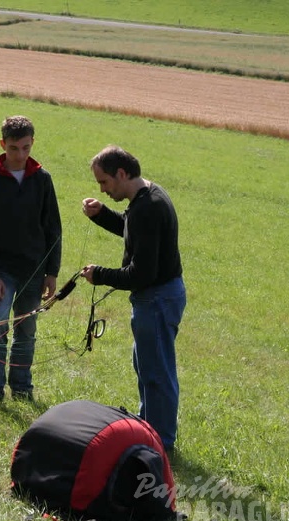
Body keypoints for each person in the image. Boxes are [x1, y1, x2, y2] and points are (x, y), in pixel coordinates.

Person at [80, 145, 186, 452]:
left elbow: (141, 274)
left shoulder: (147, 208)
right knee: (147, 366)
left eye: (104, 182)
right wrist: (102, 215)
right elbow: (132, 231)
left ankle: (161, 442)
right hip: (159, 296)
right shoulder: (147, 196)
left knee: (157, 373)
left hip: (157, 299)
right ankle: (150, 426)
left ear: (122, 174)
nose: (102, 188)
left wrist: (99, 275)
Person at [0, 115, 62, 404]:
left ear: (32, 143)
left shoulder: (43, 180)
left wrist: (51, 272)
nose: (20, 155)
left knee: (27, 332)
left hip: (34, 272)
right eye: (13, 148)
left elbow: (53, 229)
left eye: (26, 147)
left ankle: (22, 389)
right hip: (1, 273)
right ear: (2, 145)